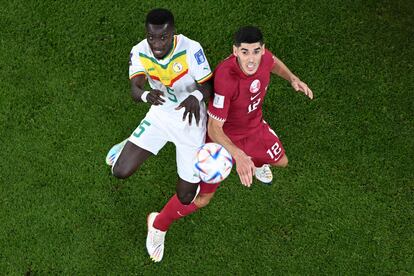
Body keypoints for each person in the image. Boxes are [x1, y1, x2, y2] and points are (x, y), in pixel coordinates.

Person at [105, 8, 216, 262]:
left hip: (190, 123)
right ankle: (132, 142)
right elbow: (135, 88)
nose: (156, 44)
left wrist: (196, 97)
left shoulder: (190, 48)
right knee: (119, 172)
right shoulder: (139, 50)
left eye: (162, 38)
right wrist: (145, 95)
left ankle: (157, 223)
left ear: (172, 33)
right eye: (152, 37)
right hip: (159, 116)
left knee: (187, 196)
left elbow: (207, 85)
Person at [207, 26, 313, 187]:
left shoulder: (264, 59)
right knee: (203, 186)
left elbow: (273, 62)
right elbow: (214, 127)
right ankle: (243, 158)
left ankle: (257, 164)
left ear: (262, 49)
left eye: (256, 51)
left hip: (254, 126)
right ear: (235, 51)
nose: (251, 59)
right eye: (245, 52)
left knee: (283, 162)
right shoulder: (225, 78)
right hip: (227, 133)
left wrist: (292, 78)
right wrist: (238, 155)